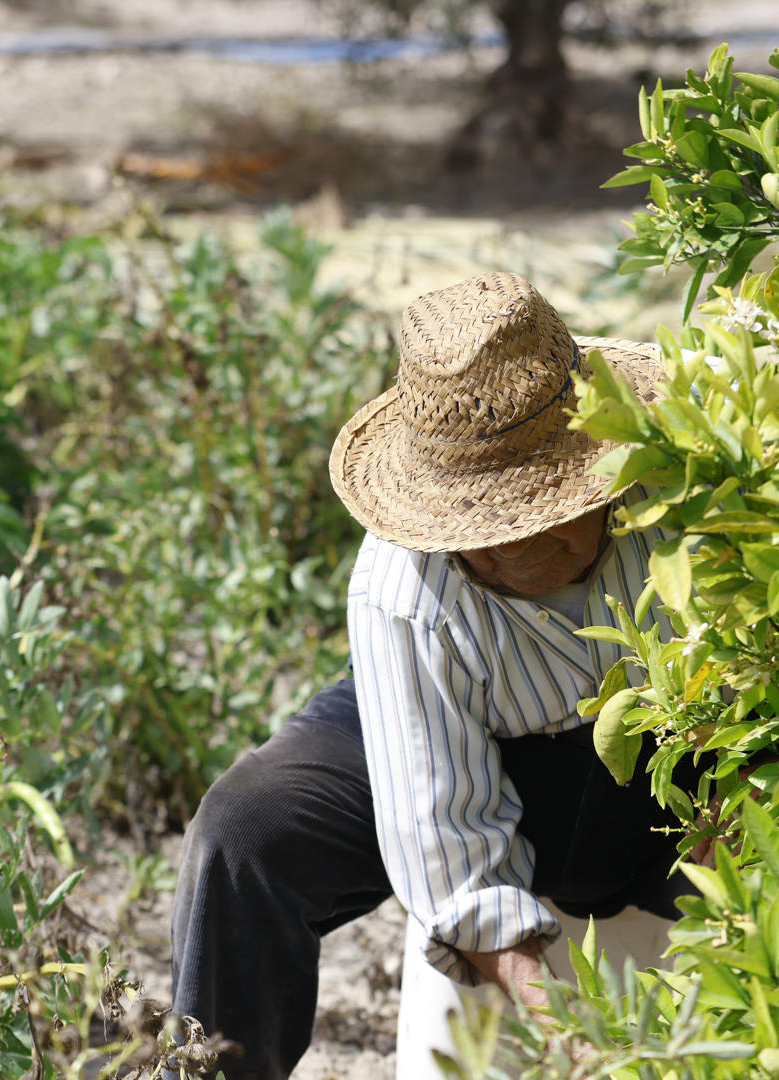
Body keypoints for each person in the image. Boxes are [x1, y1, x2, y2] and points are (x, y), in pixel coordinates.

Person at [168, 271, 698, 1080]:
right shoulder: (403, 590)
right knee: (247, 833)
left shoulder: (686, 501)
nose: (499, 555)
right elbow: (448, 844)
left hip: (663, 737)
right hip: (466, 716)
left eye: (530, 525)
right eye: (473, 531)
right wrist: (570, 1039)